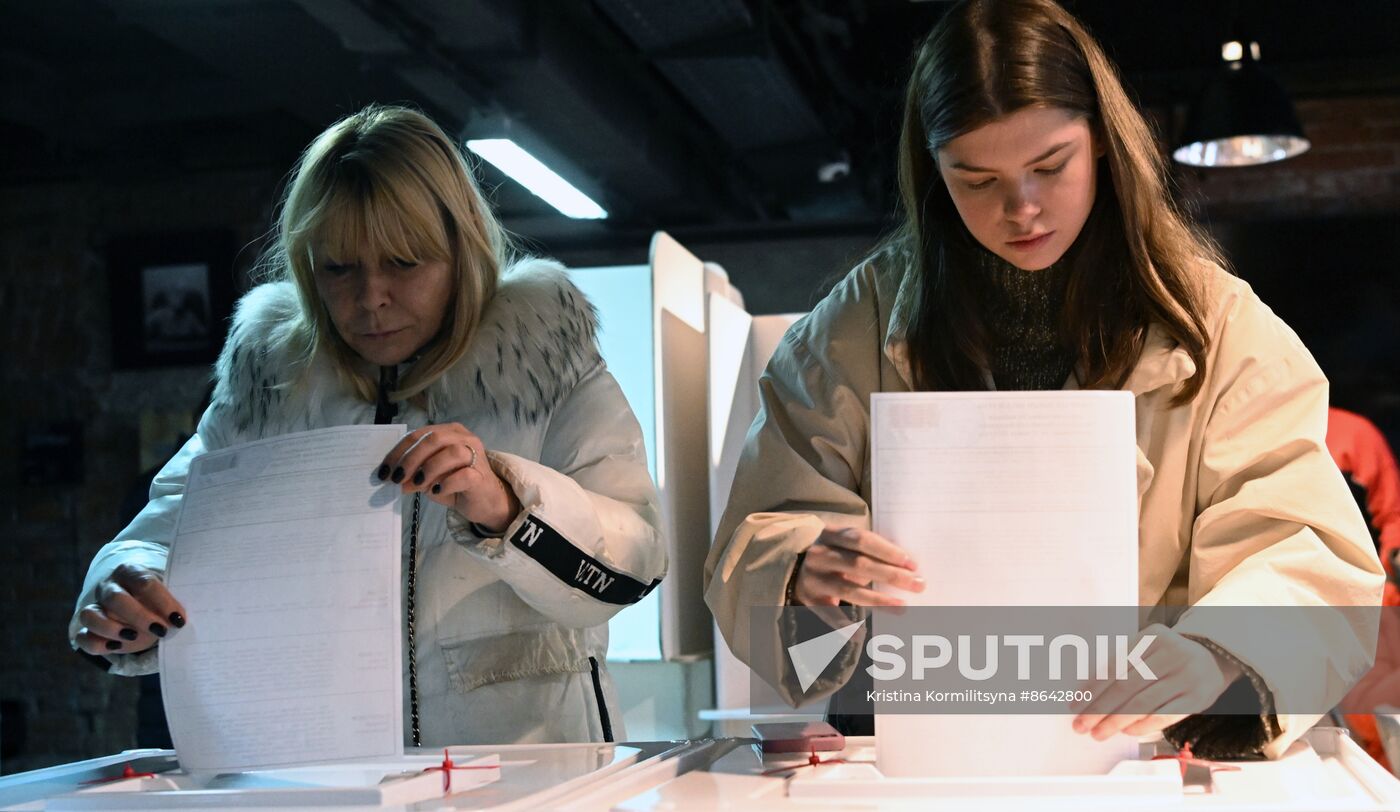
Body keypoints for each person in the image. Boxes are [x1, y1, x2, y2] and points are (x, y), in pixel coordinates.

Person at [705, 0, 1382, 760]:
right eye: (976, 178)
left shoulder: (1217, 324)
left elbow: (1309, 554)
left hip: (1139, 762)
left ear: (1103, 143)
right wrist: (799, 578)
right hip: (913, 760)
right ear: (932, 172)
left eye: (1051, 166)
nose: (1021, 209)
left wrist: (1220, 660)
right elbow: (757, 556)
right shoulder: (849, 332)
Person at [68, 104, 667, 746]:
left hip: (528, 773)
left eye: (405, 262)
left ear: (461, 253)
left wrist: (506, 503)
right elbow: (170, 525)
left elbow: (636, 564)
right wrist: (122, 583)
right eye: (339, 268)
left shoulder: (547, 365)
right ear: (307, 267)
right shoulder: (268, 387)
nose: (371, 296)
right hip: (329, 773)